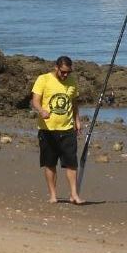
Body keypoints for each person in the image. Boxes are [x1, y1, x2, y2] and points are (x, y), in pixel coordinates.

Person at [31, 55, 84, 204]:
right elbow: (35, 100)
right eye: (63, 72)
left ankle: (74, 194)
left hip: (67, 128)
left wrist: (77, 121)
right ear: (56, 68)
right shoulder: (43, 79)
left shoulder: (72, 82)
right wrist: (41, 110)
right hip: (47, 129)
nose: (65, 75)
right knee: (49, 163)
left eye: (68, 72)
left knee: (71, 163)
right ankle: (53, 195)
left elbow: (74, 103)